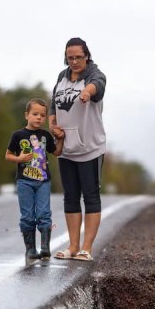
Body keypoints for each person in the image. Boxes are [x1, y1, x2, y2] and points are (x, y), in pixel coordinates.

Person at [49, 37, 106, 261]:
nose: (73, 61)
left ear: (87, 56)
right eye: (70, 57)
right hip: (67, 147)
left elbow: (98, 86)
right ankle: (72, 246)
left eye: (78, 57)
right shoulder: (62, 77)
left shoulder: (94, 74)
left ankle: (86, 248)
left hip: (89, 146)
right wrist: (52, 125)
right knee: (70, 197)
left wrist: (87, 93)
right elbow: (54, 102)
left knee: (90, 196)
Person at [5, 98, 64, 260]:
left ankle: (45, 247)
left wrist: (61, 138)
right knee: (27, 215)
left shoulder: (45, 135)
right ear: (27, 115)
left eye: (42, 115)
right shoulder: (18, 135)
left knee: (44, 213)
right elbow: (8, 155)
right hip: (24, 181)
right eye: (35, 114)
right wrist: (19, 158)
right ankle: (30, 249)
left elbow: (56, 152)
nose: (39, 118)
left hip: (43, 182)